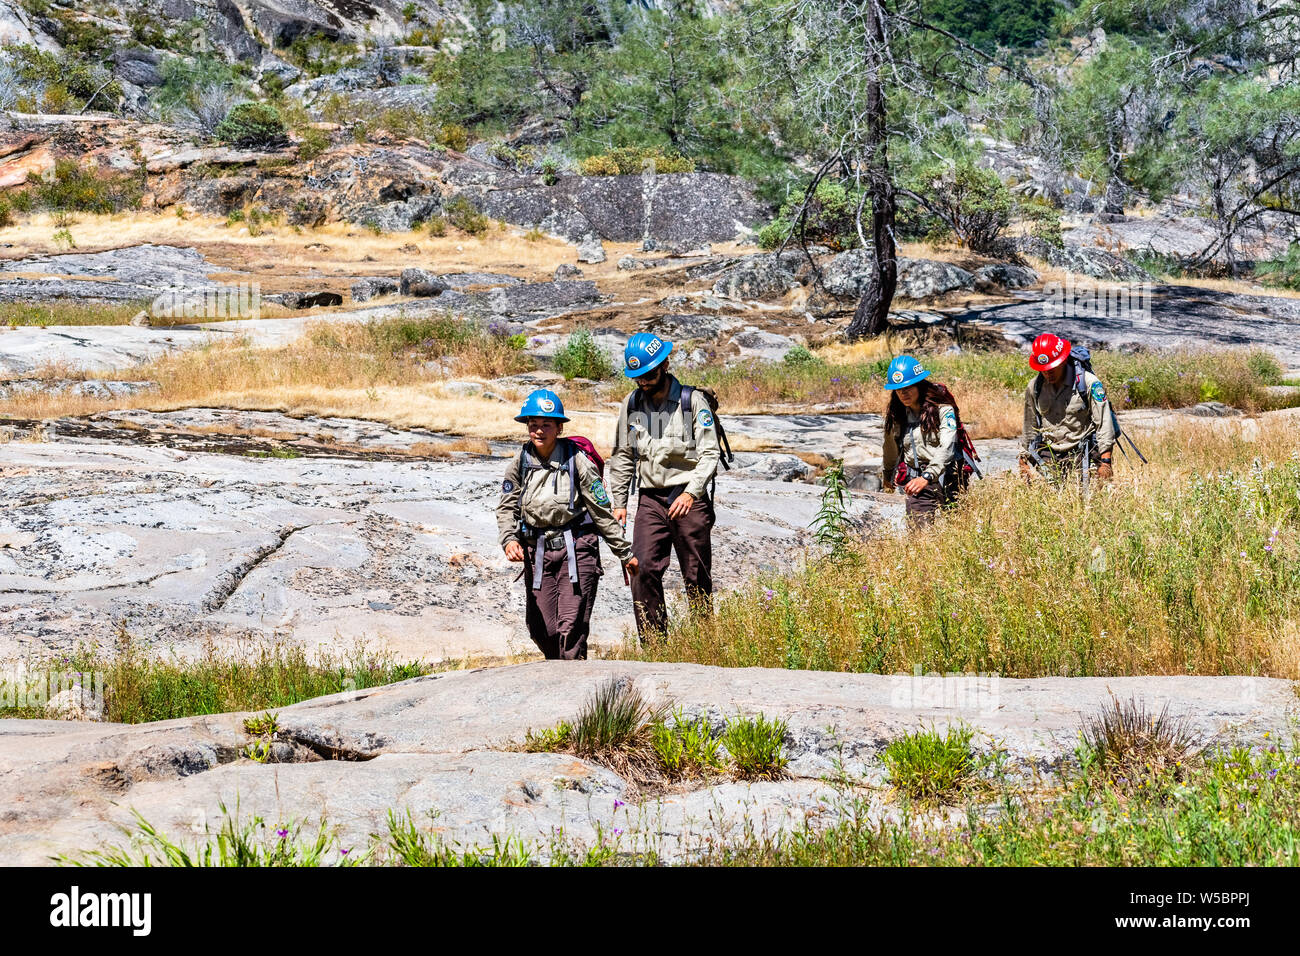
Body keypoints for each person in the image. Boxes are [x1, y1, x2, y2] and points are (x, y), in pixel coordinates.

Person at [497, 388, 637, 660]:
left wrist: (625, 553)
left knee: (570, 628)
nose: (539, 431)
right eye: (533, 425)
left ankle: (573, 690)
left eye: (546, 425)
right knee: (542, 629)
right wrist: (509, 539)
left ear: (559, 427)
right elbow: (505, 506)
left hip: (578, 550)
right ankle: (557, 678)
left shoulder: (578, 460)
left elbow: (601, 512)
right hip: (537, 553)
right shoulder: (521, 460)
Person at [608, 332, 721, 641]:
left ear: (665, 364)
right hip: (650, 500)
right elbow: (622, 455)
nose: (643, 382)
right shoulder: (631, 405)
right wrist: (619, 503)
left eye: (649, 374)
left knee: (696, 575)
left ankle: (703, 643)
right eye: (638, 377)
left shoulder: (691, 401)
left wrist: (691, 491)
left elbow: (710, 454)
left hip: (688, 497)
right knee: (641, 569)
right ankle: (655, 647)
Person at [1019, 333, 1116, 488]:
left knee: (1087, 500)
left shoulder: (1089, 383)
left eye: (1052, 368)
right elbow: (1029, 425)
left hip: (1083, 450)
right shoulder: (1034, 387)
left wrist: (1105, 462)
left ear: (1063, 361)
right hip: (1049, 453)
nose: (1047, 373)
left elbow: (1104, 423)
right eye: (1044, 369)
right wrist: (1023, 458)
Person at [880, 354, 963, 525]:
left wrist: (927, 475)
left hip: (947, 477)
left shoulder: (944, 410)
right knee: (920, 535)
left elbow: (948, 445)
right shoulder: (897, 415)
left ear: (919, 385)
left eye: (908, 387)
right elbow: (890, 447)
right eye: (898, 389)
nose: (903, 393)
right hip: (916, 482)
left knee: (957, 533)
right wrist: (888, 474)